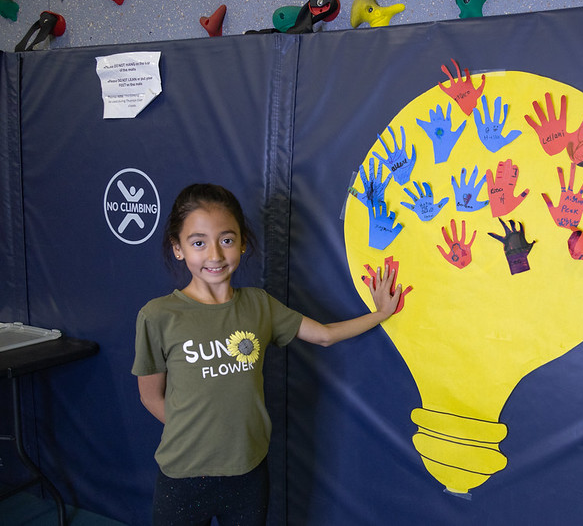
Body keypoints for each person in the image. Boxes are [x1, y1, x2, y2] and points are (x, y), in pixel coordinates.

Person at [132, 183, 401, 525]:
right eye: (198, 242)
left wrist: (379, 314)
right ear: (179, 248)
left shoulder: (259, 305)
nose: (214, 254)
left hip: (248, 472)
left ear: (242, 243)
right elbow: (150, 396)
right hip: (183, 477)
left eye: (226, 240)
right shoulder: (158, 316)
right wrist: (200, 433)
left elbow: (324, 335)